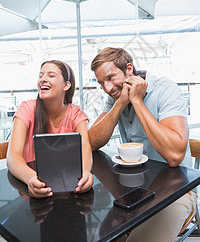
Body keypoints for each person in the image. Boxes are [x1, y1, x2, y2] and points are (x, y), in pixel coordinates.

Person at [89, 47, 197, 242]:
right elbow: (91, 142)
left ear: (129, 69)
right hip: (134, 193)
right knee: (104, 238)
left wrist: (137, 101)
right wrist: (120, 103)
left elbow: (175, 156)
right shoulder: (115, 96)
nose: (106, 88)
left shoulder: (166, 90)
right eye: (100, 83)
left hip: (176, 191)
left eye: (111, 78)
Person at [7, 60, 93, 198]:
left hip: (67, 188)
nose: (43, 79)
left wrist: (85, 173)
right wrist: (31, 179)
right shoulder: (27, 108)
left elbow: (85, 146)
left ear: (66, 85)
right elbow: (13, 156)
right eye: (41, 75)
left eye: (51, 75)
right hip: (32, 188)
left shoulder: (76, 114)